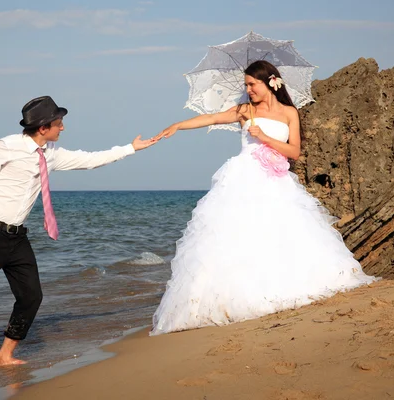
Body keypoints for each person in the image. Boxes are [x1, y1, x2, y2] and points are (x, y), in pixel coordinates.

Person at [0, 95, 158, 383]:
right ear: (44, 127)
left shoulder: (50, 153)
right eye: (60, 124)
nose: (63, 129)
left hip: (17, 238)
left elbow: (89, 161)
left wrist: (130, 148)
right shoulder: (7, 146)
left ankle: (4, 355)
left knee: (31, 296)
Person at [150, 60, 379, 335]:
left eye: (251, 84)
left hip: (277, 182)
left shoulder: (289, 113)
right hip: (242, 178)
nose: (248, 90)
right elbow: (211, 118)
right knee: (238, 236)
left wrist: (264, 137)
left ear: (270, 82)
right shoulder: (244, 111)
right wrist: (178, 125)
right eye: (246, 85)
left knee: (279, 234)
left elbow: (294, 152)